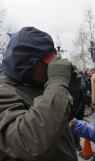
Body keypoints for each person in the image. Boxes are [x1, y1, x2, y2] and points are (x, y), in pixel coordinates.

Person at [0, 27, 78, 161]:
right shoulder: (4, 92)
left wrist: (72, 89)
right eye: (48, 63)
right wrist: (57, 83)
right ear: (29, 64)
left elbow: (59, 122)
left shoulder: (37, 85)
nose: (51, 68)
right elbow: (29, 141)